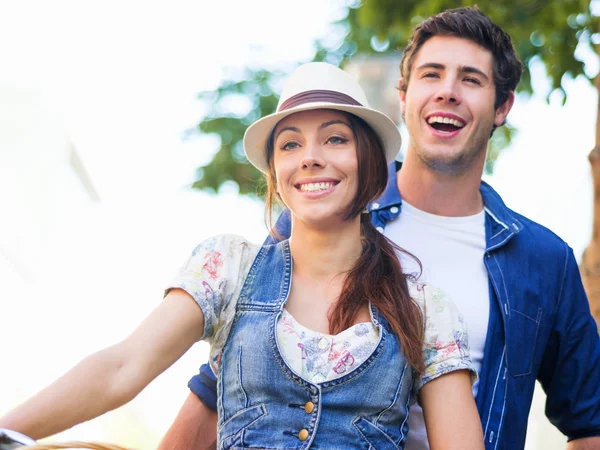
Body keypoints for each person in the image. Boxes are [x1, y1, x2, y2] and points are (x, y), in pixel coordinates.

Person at [158, 7, 600, 450]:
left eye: (470, 79)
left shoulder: (543, 261)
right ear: (403, 96)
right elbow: (232, 372)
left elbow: (588, 422)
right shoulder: (325, 210)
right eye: (431, 75)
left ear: (502, 106)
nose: (447, 91)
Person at [0, 62, 484, 449]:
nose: (311, 156)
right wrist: (8, 431)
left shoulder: (426, 309)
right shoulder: (228, 267)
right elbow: (123, 366)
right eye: (291, 144)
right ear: (276, 172)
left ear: (371, 164)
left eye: (335, 138)